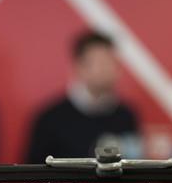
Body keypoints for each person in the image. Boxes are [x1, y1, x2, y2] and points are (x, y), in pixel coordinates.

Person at [26, 30, 141, 164]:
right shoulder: (50, 119)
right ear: (79, 67)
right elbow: (32, 176)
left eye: (111, 61)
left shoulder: (126, 115)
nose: (107, 69)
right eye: (99, 62)